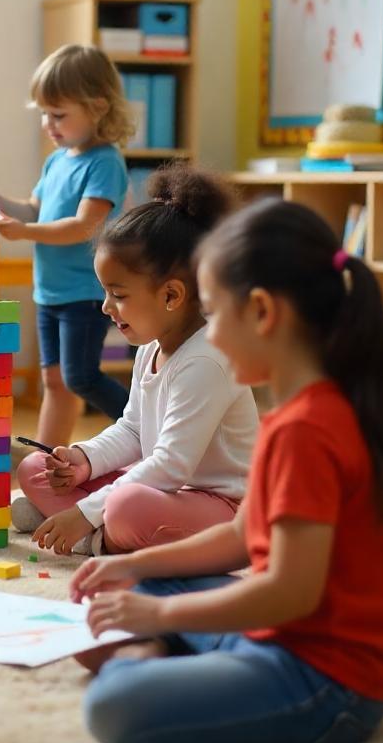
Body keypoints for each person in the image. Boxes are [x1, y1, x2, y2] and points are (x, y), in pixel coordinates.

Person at [71, 198, 383, 743]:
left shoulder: (309, 431)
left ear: (261, 312)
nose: (206, 332)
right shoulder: (299, 414)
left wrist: (159, 618)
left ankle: (158, 653)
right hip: (283, 637)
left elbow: (287, 592)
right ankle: (167, 648)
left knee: (114, 706)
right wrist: (133, 565)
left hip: (328, 683)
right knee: (133, 591)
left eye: (213, 312)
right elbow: (242, 537)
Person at [14, 164, 258, 556]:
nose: (106, 307)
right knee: (34, 468)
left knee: (127, 509)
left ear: (172, 296)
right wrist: (83, 460)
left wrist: (85, 511)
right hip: (169, 490)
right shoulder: (152, 346)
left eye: (119, 294)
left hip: (223, 508)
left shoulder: (208, 360)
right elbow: (132, 430)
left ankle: (89, 537)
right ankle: (93, 532)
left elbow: (170, 466)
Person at [0, 44, 132, 447]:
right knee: (54, 381)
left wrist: (26, 233)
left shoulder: (104, 162)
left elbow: (84, 226)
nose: (47, 124)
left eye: (58, 115)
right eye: (43, 113)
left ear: (97, 107)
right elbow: (33, 208)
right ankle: (46, 456)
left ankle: (147, 427)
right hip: (52, 290)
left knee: (80, 376)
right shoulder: (58, 160)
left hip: (85, 292)